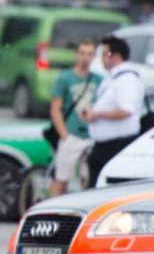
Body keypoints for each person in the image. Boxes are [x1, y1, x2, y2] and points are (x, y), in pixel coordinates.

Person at [81, 36, 145, 187]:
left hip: (117, 145)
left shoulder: (127, 79)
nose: (102, 59)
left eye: (104, 54)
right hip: (102, 145)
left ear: (115, 56)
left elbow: (126, 110)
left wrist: (97, 115)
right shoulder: (112, 78)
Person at [47, 40, 101, 196]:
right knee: (61, 178)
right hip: (72, 134)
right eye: (82, 53)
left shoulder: (98, 80)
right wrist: (64, 134)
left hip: (91, 136)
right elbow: (55, 108)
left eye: (90, 54)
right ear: (76, 55)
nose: (86, 58)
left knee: (88, 180)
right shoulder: (65, 78)